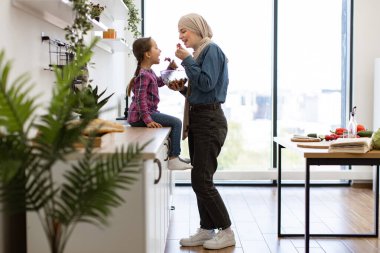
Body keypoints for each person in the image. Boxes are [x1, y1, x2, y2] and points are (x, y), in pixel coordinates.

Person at [172, 13, 235, 250]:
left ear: (197, 29)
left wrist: (187, 60)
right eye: (179, 31)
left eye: (184, 30)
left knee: (201, 179)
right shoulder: (200, 53)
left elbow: (208, 84)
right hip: (200, 117)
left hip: (209, 120)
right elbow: (202, 89)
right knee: (198, 178)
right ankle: (207, 229)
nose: (180, 36)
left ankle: (226, 231)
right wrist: (183, 89)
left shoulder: (212, 51)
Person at [126, 37, 192, 170]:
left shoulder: (148, 72)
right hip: (141, 116)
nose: (160, 50)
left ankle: (175, 156)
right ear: (148, 54)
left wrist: (170, 68)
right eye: (156, 48)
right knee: (177, 122)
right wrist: (148, 120)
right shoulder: (143, 75)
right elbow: (140, 100)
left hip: (147, 113)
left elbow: (159, 82)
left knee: (174, 122)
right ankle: (174, 158)